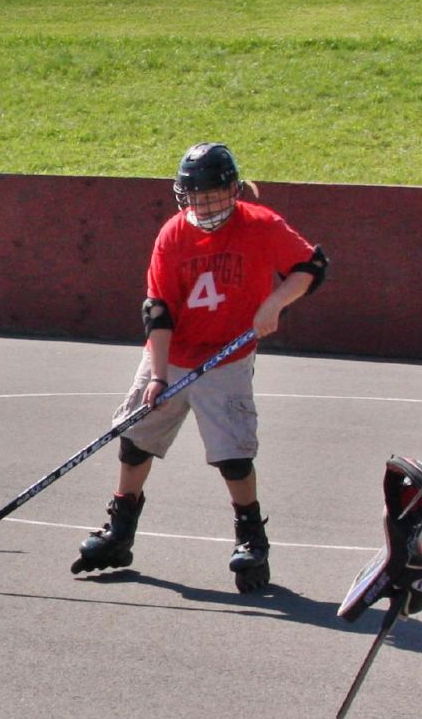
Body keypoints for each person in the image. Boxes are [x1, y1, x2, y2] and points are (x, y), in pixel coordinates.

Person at [70, 142, 328, 593]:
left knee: (233, 453)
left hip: (228, 355)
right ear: (182, 195)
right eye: (196, 197)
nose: (205, 206)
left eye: (213, 196)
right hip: (174, 352)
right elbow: (159, 310)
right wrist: (158, 373)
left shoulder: (262, 226)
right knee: (135, 441)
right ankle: (120, 532)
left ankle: (252, 539)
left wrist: (275, 302)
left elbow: (312, 266)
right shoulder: (172, 235)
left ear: (233, 190)